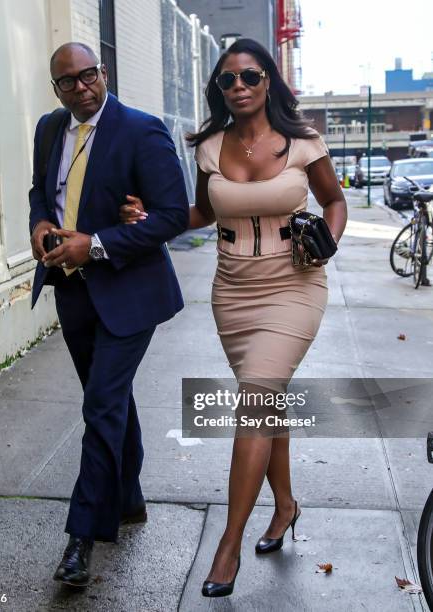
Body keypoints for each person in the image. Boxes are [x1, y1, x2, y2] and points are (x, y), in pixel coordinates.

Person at [120, 38, 347, 598]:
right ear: (219, 89)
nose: (240, 86)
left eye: (250, 75)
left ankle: (229, 543)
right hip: (234, 293)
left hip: (294, 283)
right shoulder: (209, 146)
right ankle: (286, 504)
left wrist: (330, 240)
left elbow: (334, 202)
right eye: (228, 80)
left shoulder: (304, 143)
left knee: (256, 399)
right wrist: (152, 217)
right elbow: (199, 211)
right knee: (267, 400)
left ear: (268, 80)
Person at [29, 42, 189, 587]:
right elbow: (40, 193)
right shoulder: (50, 129)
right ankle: (129, 498)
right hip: (71, 291)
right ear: (56, 89)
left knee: (100, 405)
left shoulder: (141, 130)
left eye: (88, 75)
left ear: (104, 72)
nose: (81, 87)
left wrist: (95, 243)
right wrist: (38, 226)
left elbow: (170, 216)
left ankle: (81, 537)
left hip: (129, 291)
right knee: (109, 399)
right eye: (67, 81)